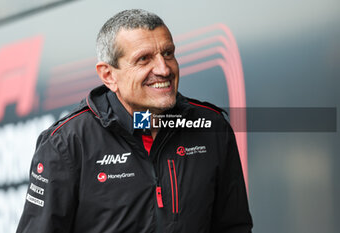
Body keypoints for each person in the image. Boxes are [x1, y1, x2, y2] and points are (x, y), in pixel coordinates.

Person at [16, 9, 253, 233]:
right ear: (109, 75)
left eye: (168, 53)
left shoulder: (211, 127)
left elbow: (234, 227)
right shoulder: (67, 143)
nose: (163, 69)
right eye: (144, 59)